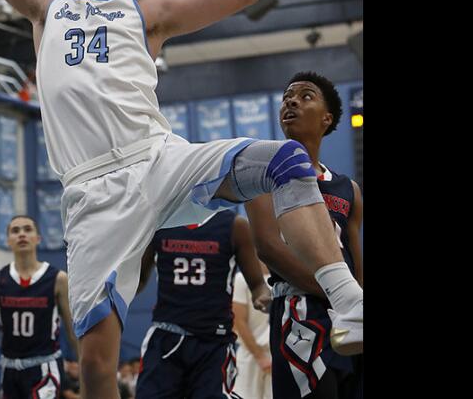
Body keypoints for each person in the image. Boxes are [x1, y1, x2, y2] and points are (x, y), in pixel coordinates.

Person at [0, 0, 363, 399]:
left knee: (286, 161)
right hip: (91, 192)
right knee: (100, 363)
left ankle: (347, 297)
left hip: (158, 159)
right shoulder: (48, 6)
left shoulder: (146, 12)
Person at [246, 72, 364, 399]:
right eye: (287, 97)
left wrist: (356, 300)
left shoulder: (348, 188)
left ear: (326, 119)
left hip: (348, 313)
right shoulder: (262, 172)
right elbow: (268, 247)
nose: (292, 101)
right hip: (297, 307)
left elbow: (355, 259)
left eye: (306, 96)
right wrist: (336, 293)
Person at [134, 209, 270, 399]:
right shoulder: (159, 221)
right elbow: (137, 280)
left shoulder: (235, 226)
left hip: (213, 342)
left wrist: (263, 298)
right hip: (167, 336)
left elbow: (257, 285)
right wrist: (110, 295)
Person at [0, 215, 80, 399]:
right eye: (15, 230)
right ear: (8, 241)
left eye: (28, 229)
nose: (21, 234)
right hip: (10, 369)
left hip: (45, 367)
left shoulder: (58, 279)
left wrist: (84, 366)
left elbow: (71, 329)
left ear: (38, 238)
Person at [231, 260, 273, 399]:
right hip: (251, 355)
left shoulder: (285, 280)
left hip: (277, 355)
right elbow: (238, 322)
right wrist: (260, 356)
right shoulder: (241, 280)